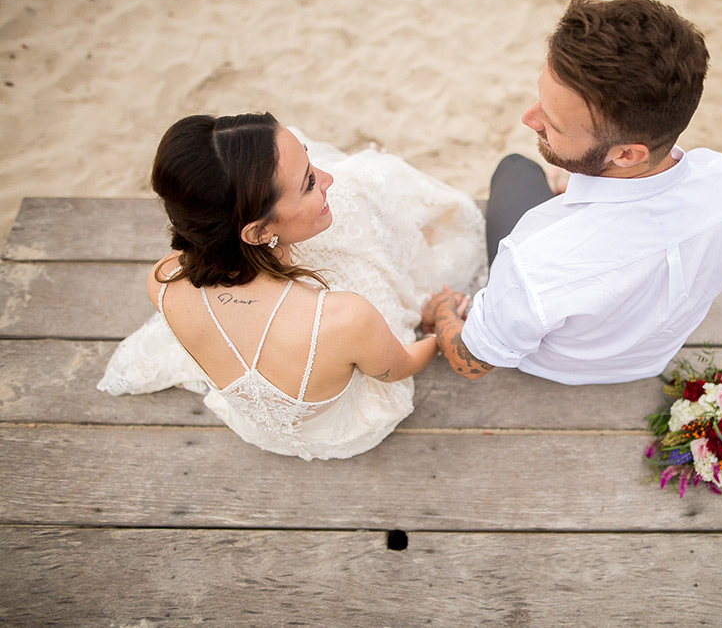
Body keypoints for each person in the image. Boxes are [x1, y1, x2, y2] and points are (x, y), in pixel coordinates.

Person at [99, 112, 485, 460]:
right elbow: (398, 369)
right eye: (310, 182)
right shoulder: (343, 318)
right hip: (348, 432)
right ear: (258, 232)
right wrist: (439, 324)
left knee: (350, 193)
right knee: (356, 196)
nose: (327, 178)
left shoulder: (164, 280)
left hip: (254, 425)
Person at [423, 0, 722, 385]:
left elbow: (469, 361)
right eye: (540, 98)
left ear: (627, 155)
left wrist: (444, 308)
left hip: (558, 368)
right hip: (649, 358)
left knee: (514, 168)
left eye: (553, 122)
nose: (529, 118)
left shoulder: (534, 260)